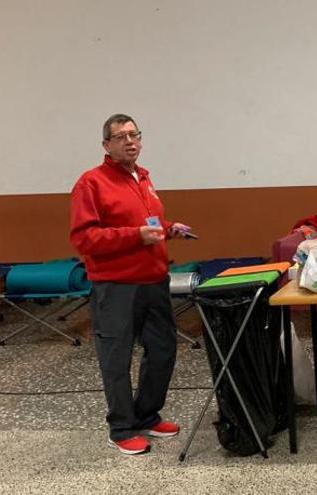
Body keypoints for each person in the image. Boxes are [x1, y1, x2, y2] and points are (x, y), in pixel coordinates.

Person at [70, 114, 194, 455]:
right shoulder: (91, 183)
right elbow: (85, 238)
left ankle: (147, 415)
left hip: (153, 281)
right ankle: (122, 428)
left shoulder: (143, 178)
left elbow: (146, 222)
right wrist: (135, 236)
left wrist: (167, 227)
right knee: (116, 357)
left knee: (163, 350)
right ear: (106, 145)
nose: (130, 141)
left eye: (135, 134)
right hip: (116, 286)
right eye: (121, 136)